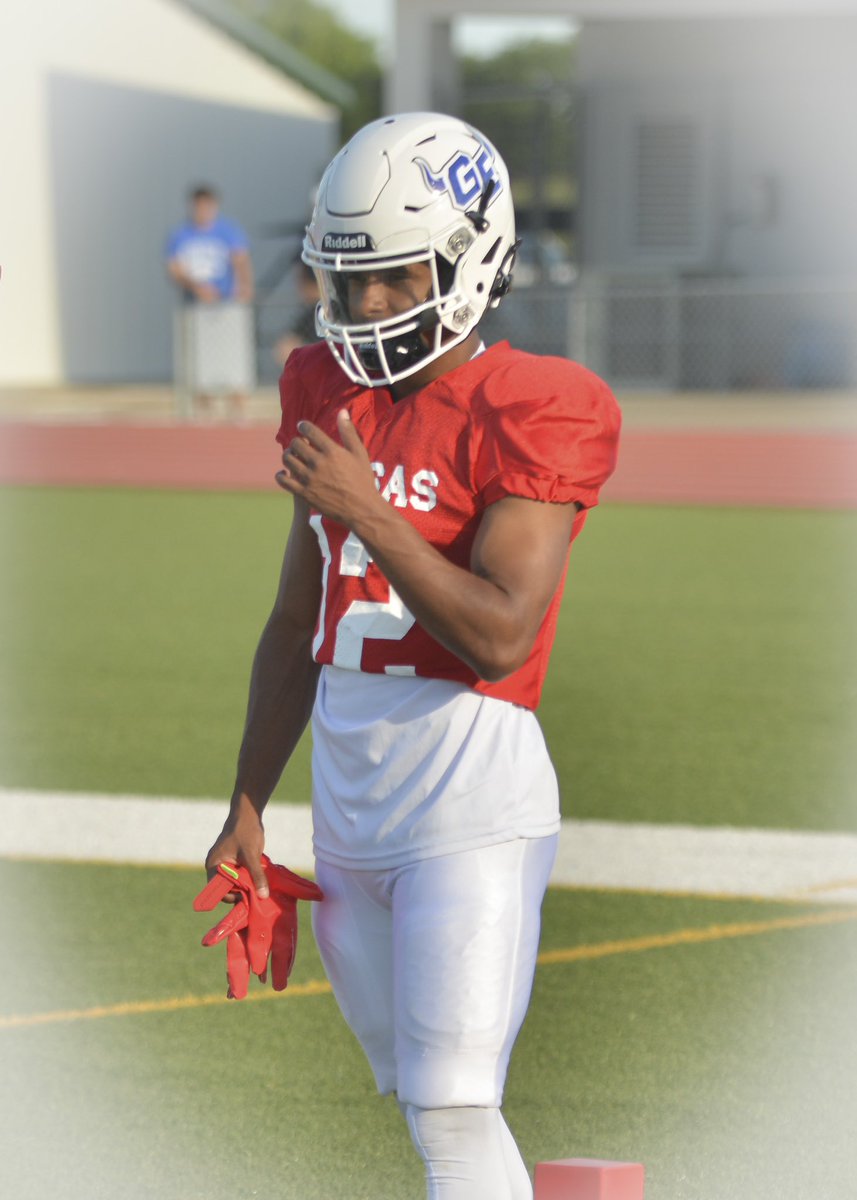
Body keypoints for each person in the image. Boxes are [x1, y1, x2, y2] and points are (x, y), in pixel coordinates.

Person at [204, 112, 621, 1200]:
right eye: (352, 284)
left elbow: (497, 633)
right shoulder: (321, 389)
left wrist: (369, 512)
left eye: (395, 278)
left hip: (468, 798)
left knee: (451, 1107)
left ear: (469, 258)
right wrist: (248, 798)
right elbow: (297, 618)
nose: (371, 307)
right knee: (428, 1112)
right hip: (349, 810)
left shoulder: (530, 404)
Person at [166, 185, 256, 421]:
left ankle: (237, 407)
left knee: (233, 359)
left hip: (227, 304)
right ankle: (204, 409)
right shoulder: (181, 235)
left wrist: (244, 285)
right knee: (200, 363)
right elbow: (174, 267)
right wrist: (198, 287)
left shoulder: (227, 231)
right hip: (196, 307)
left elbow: (240, 259)